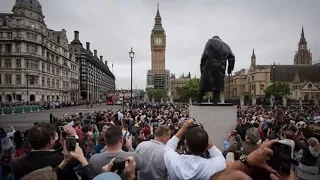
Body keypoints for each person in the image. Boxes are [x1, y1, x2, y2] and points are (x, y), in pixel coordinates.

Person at [13, 123, 79, 180]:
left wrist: (61, 143)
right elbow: (77, 158)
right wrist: (75, 135)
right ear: (51, 141)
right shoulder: (61, 160)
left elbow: (46, 152)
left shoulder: (18, 163)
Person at [197, 36, 235, 103]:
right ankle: (215, 101)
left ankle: (199, 100)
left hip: (210, 65)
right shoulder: (227, 46)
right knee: (218, 86)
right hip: (221, 67)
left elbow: (205, 54)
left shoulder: (210, 41)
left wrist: (202, 65)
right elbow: (232, 58)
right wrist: (229, 69)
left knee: (203, 84)